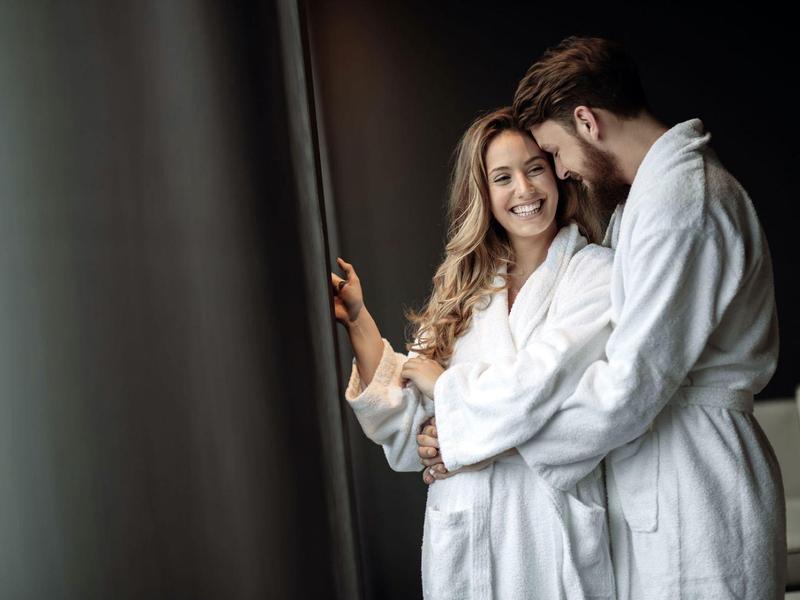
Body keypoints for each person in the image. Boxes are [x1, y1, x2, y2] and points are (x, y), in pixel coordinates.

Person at [421, 36, 786, 599]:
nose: (562, 173)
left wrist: (488, 440)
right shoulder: (649, 201)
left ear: (587, 121)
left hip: (699, 483)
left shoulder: (681, 203)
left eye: (554, 153)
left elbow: (629, 385)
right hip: (662, 477)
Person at [332, 107, 616, 599]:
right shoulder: (465, 292)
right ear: (483, 194)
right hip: (468, 531)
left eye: (535, 168)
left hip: (546, 531)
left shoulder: (594, 275)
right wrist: (359, 321)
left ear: (557, 172)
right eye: (502, 177)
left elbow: (545, 390)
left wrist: (450, 404)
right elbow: (408, 426)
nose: (525, 191)